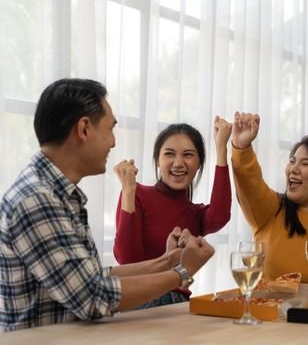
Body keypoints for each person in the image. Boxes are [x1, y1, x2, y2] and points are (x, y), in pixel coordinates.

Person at [0, 78, 215, 332]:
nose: (113, 142)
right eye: (110, 129)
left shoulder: (59, 195)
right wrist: (181, 272)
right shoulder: (37, 199)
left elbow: (90, 275)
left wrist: (168, 261)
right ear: (84, 129)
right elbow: (92, 297)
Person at [112, 120, 231, 307]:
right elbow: (127, 261)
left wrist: (221, 148)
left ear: (199, 163)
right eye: (169, 154)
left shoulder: (195, 213)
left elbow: (220, 216)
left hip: (179, 304)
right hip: (142, 304)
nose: (178, 163)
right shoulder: (136, 193)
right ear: (158, 161)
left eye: (188, 155)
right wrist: (128, 191)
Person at [231, 112, 308, 286]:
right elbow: (248, 180)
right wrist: (241, 146)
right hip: (269, 310)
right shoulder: (271, 209)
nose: (293, 169)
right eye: (292, 161)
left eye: (305, 164)